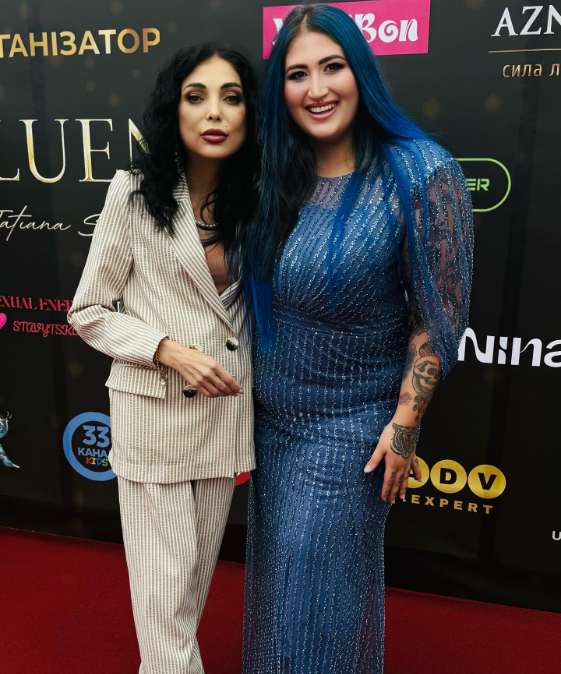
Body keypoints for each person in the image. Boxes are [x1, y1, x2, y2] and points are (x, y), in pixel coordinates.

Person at [239, 5, 474, 673]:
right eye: (297, 74)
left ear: (360, 72)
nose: (316, 89)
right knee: (277, 597)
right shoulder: (276, 172)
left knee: (312, 605)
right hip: (270, 425)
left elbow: (438, 317)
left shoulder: (419, 172)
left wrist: (404, 425)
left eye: (332, 67)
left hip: (349, 432)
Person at [68, 44, 257, 674]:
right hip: (155, 422)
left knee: (184, 599)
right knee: (164, 604)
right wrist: (167, 350)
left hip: (224, 422)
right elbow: (88, 311)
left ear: (250, 113)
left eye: (232, 97)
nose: (214, 112)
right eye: (196, 96)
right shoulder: (132, 193)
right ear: (173, 109)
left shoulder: (261, 200)